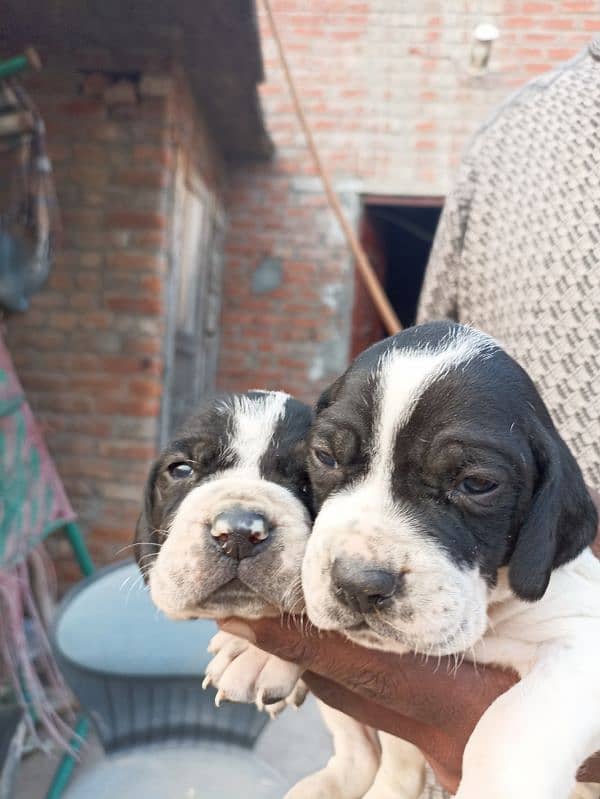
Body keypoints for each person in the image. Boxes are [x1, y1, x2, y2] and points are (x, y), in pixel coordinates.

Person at [220, 39, 600, 796]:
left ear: (545, 509)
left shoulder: (561, 593)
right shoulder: (510, 138)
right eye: (334, 458)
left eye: (471, 484)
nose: (363, 560)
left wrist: (508, 765)